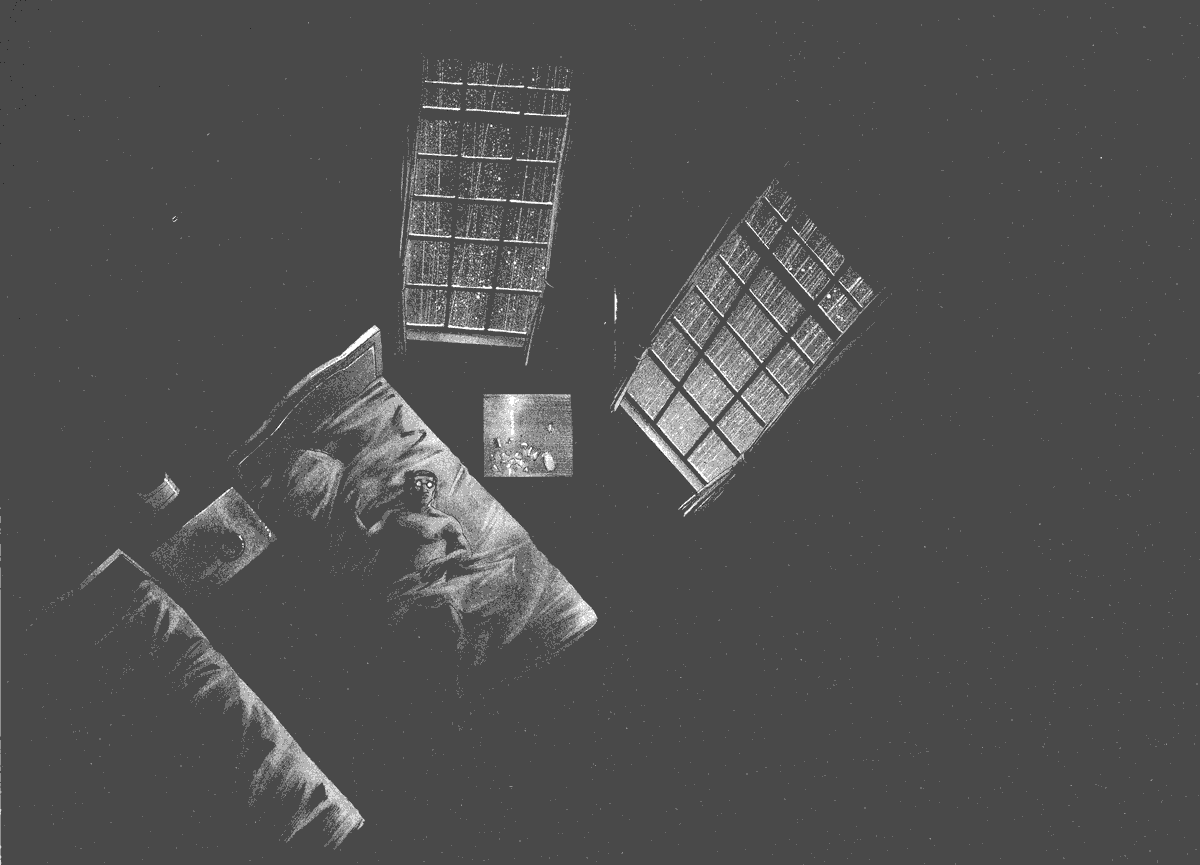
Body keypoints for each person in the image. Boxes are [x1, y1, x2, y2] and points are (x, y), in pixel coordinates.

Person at [345, 469, 471, 583]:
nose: (424, 488)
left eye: (429, 484)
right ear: (409, 488)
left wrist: (443, 561)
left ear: (434, 491)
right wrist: (352, 514)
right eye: (418, 483)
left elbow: (465, 551)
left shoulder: (446, 521)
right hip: (389, 585)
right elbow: (369, 539)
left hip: (427, 587)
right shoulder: (392, 516)